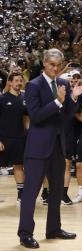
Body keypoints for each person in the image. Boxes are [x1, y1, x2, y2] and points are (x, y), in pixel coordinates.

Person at [18, 48, 82, 249]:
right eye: (51, 65)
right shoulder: (33, 85)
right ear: (44, 63)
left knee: (56, 191)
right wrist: (58, 101)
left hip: (57, 145)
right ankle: (25, 233)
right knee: (31, 192)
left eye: (58, 65)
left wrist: (73, 98)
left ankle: (53, 228)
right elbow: (36, 116)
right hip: (37, 147)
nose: (54, 69)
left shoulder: (63, 83)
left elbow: (65, 117)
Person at [0, 72, 29, 203]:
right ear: (10, 82)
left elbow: (27, 117)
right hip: (3, 139)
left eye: (20, 81)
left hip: (19, 138)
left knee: (19, 166)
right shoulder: (2, 99)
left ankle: (21, 195)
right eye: (16, 80)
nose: (18, 83)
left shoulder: (24, 99)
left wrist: (27, 131)